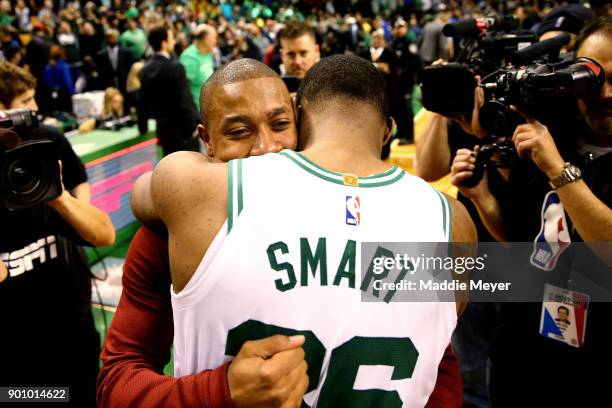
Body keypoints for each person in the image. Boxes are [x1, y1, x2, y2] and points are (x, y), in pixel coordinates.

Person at [99, 58, 465, 408]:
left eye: (279, 125)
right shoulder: (448, 221)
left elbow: (438, 363)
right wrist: (219, 392)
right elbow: (114, 384)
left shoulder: (185, 193)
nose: (266, 149)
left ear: (301, 118)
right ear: (206, 140)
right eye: (238, 132)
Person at [450, 16, 612, 406]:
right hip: (529, 355)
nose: (605, 92)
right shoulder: (551, 133)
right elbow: (529, 244)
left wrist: (558, 170)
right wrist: (482, 198)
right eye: (593, 77)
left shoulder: (552, 152)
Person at [0, 61, 115, 407]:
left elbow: (104, 234)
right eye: (23, 101)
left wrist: (60, 197)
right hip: (15, 359)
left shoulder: (46, 143)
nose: (32, 109)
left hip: (73, 333)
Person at [139, 25, 200, 156]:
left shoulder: (145, 70)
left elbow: (142, 102)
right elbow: (185, 101)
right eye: (171, 38)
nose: (174, 41)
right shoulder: (176, 67)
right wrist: (193, 126)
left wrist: (142, 127)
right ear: (164, 43)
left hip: (163, 132)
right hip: (183, 132)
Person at [179, 24, 217, 111]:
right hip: (196, 112)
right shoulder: (189, 57)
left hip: (208, 109)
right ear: (207, 40)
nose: (216, 41)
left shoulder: (208, 52)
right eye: (214, 38)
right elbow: (182, 89)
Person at [96, 28, 133, 98]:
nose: (112, 39)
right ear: (106, 39)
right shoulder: (101, 54)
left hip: (124, 81)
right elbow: (101, 71)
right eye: (109, 37)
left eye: (114, 37)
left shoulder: (126, 52)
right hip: (108, 82)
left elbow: (129, 68)